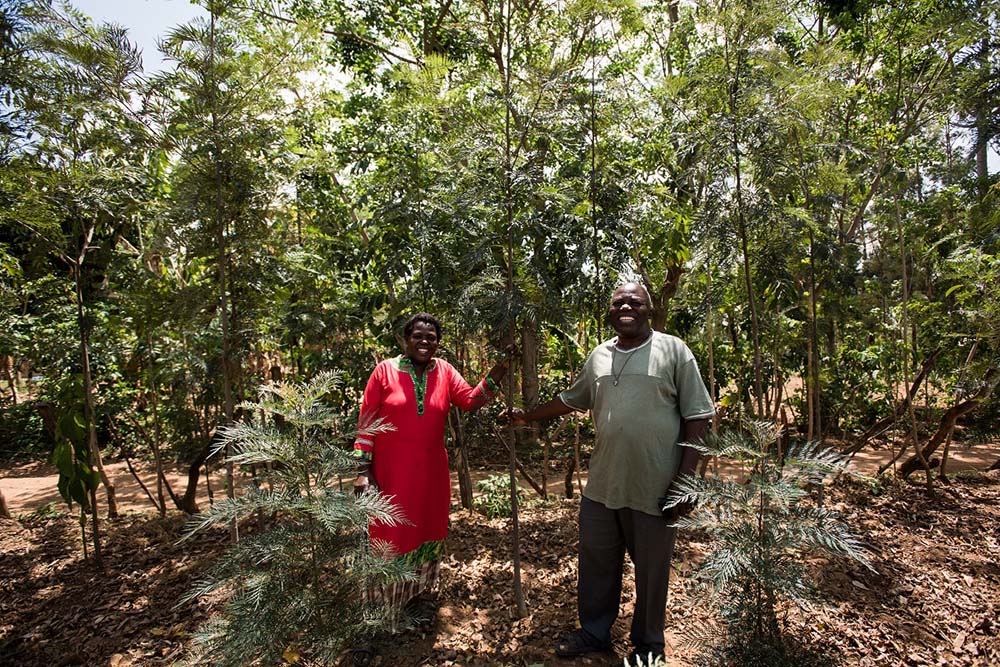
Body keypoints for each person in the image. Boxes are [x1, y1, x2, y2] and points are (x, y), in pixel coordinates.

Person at [509, 282, 715, 667]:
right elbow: (573, 399)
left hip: (655, 486)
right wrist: (526, 416)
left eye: (634, 302)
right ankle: (594, 632)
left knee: (652, 572)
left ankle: (649, 645)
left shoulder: (674, 350)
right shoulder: (599, 355)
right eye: (618, 301)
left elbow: (698, 416)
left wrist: (687, 480)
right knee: (596, 564)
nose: (625, 307)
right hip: (603, 484)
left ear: (648, 309)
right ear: (609, 311)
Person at [351, 312, 511, 665]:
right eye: (417, 336)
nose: (425, 342)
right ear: (404, 339)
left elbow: (470, 400)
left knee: (425, 532)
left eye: (431, 337)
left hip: (431, 476)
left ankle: (414, 599)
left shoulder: (445, 371)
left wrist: (499, 368)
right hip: (391, 475)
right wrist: (363, 471)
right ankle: (372, 623)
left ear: (438, 341)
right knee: (385, 539)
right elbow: (367, 420)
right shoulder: (384, 372)